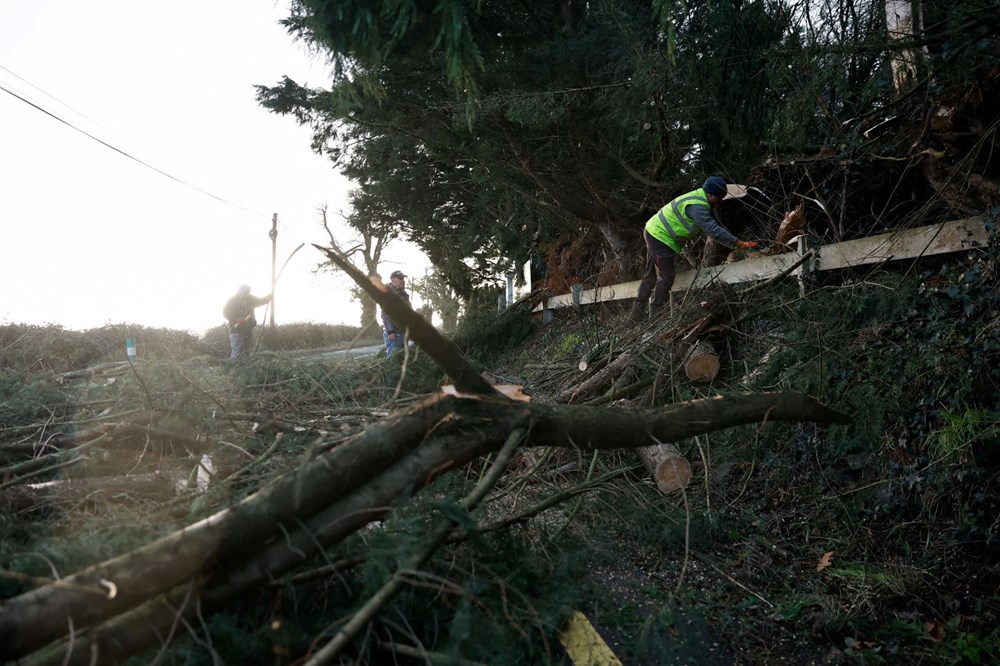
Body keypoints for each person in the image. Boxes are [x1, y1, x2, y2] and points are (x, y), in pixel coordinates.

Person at [631, 175, 757, 322]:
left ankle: (636, 315)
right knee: (666, 276)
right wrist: (737, 244)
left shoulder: (703, 200)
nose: (721, 201)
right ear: (710, 194)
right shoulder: (697, 207)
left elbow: (718, 225)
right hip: (660, 236)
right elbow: (713, 230)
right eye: (719, 197)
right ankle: (655, 317)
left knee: (651, 274)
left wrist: (736, 241)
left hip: (655, 231)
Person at [222, 284, 272, 360]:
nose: (247, 293)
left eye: (248, 292)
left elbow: (260, 301)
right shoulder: (232, 300)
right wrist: (236, 319)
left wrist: (266, 299)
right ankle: (235, 368)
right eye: (246, 292)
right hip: (236, 330)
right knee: (237, 350)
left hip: (247, 329)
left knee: (246, 351)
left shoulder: (250, 298)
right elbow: (225, 313)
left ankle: (244, 368)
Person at [381, 270, 410, 357]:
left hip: (403, 331)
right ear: (393, 280)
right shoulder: (387, 293)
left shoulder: (402, 293)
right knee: (393, 359)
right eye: (400, 279)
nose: (402, 281)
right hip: (394, 332)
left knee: (402, 358)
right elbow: (385, 313)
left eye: (403, 279)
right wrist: (390, 331)